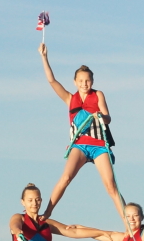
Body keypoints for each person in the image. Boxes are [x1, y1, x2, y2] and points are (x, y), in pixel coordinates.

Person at [37, 44, 124, 222]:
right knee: (66, 177)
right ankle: (47, 213)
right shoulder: (70, 99)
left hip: (99, 145)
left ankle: (128, 223)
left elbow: (108, 118)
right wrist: (44, 57)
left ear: (92, 81)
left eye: (88, 81)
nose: (85, 84)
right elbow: (52, 81)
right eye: (81, 81)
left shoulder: (98, 94)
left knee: (110, 186)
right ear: (75, 82)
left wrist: (101, 116)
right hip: (80, 145)